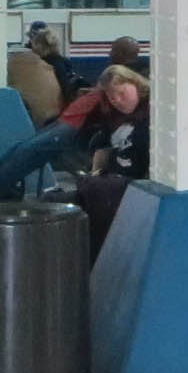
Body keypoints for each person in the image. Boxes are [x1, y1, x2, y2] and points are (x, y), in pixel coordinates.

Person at [0, 70, 105, 206]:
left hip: (73, 128)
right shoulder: (113, 78)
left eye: (118, 51)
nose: (113, 53)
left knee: (27, 150)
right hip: (67, 121)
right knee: (19, 148)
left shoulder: (121, 80)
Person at [68, 66, 150, 254]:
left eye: (121, 93)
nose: (118, 101)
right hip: (112, 177)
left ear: (136, 84)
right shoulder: (112, 117)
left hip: (134, 182)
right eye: (112, 98)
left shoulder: (153, 114)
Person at [9, 26, 69, 128]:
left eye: (32, 43)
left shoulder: (40, 65)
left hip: (49, 116)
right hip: (59, 111)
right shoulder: (63, 62)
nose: (30, 47)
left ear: (39, 45)